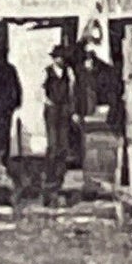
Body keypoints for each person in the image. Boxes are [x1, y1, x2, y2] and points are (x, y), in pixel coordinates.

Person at [42, 44, 78, 207]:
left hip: (63, 109)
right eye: (57, 57)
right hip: (52, 109)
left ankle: (59, 176)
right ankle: (49, 177)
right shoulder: (47, 71)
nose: (60, 60)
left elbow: (72, 90)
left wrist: (71, 107)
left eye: (62, 57)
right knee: (52, 144)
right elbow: (40, 89)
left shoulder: (68, 73)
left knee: (63, 144)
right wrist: (47, 101)